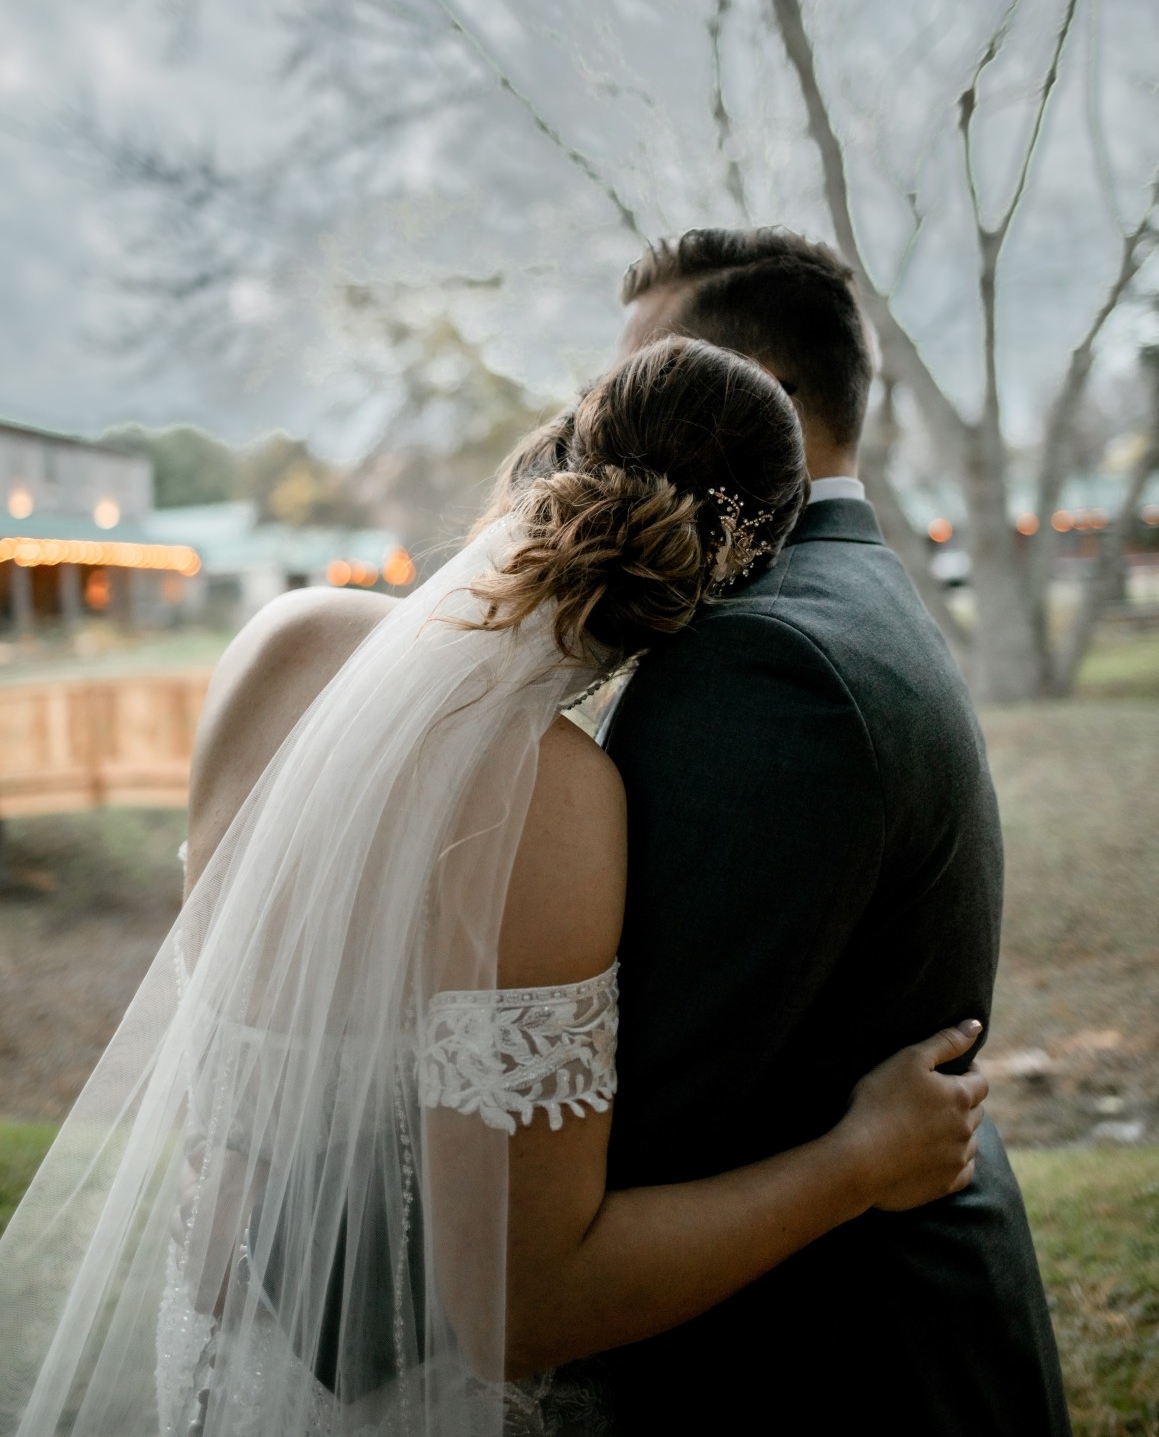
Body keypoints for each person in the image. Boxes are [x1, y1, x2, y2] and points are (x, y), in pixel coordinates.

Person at [0, 336, 988, 1437]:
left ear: (551, 455)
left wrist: (239, 1158)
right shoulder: (550, 803)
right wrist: (860, 1160)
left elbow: (235, 1024)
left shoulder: (281, 642)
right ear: (710, 592)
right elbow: (520, 1306)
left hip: (210, 1348)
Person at [583, 229, 1072, 1434]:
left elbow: (637, 1119)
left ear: (766, 402)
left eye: (645, 383)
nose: (603, 432)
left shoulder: (768, 657)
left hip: (825, 1363)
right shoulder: (849, 590)